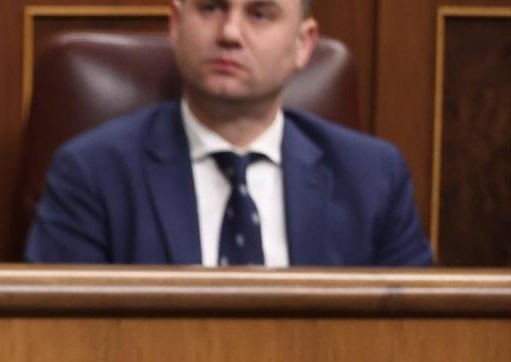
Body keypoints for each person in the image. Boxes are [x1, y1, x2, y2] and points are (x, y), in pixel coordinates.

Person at [24, 0, 431, 267]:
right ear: (175, 25)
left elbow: (413, 346)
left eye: (259, 14)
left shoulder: (373, 177)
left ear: (303, 44)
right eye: (211, 8)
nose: (230, 34)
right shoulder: (93, 173)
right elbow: (62, 343)